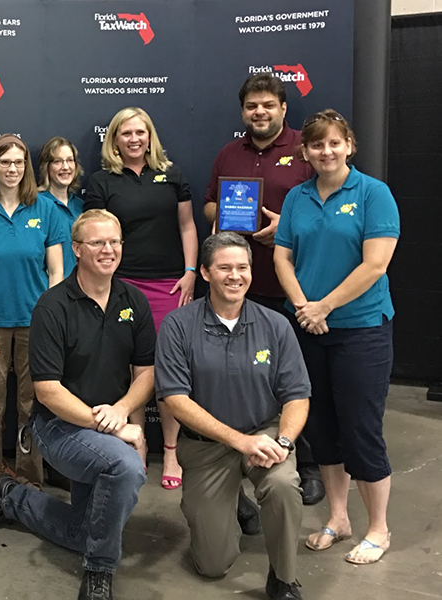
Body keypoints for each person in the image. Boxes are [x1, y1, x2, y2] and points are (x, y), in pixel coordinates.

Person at [0, 209, 154, 600]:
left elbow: (147, 373)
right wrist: (112, 427)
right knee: (124, 468)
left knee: (86, 529)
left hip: (109, 421)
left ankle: (12, 497)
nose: (108, 250)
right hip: (57, 426)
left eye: (115, 242)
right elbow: (48, 392)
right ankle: (98, 571)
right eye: (97, 243)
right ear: (76, 249)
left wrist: (123, 412)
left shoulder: (133, 301)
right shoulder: (52, 307)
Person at [274, 110, 400, 565]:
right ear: (305, 152)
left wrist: (323, 307)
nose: (325, 152)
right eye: (316, 145)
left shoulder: (373, 194)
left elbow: (374, 265)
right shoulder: (296, 197)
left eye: (334, 143)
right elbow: (283, 258)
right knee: (322, 429)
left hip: (360, 330)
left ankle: (379, 528)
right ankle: (339, 518)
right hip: (308, 329)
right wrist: (306, 309)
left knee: (361, 429)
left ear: (349, 145)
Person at [156, 232, 311, 600]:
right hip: (207, 447)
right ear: (206, 273)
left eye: (242, 267)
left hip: (265, 434)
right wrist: (240, 442)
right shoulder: (178, 326)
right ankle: (231, 504)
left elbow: (297, 396)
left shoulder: (275, 326)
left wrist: (284, 442)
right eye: (224, 267)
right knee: (212, 565)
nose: (235, 275)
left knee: (283, 485)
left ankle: (284, 578)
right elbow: (175, 400)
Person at [203, 74, 324, 525]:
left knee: (294, 383)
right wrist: (236, 216)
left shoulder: (304, 149)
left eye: (268, 105)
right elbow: (211, 207)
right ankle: (236, 473)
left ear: (283, 108)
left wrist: (285, 224)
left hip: (291, 290)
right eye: (252, 106)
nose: (260, 113)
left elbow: (322, 204)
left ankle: (305, 465)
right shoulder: (228, 153)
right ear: (243, 112)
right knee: (238, 383)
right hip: (237, 291)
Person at [85, 107, 198, 490]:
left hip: (169, 285)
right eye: (125, 133)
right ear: (114, 139)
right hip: (122, 285)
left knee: (166, 371)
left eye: (140, 132)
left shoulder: (173, 175)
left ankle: (170, 449)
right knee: (128, 366)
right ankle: (136, 438)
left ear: (150, 136)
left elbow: (187, 225)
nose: (134, 139)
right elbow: (96, 236)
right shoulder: (101, 182)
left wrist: (191, 272)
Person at [0, 134, 65, 511]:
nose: (12, 169)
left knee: (31, 407)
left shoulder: (45, 209)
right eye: (4, 162)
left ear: (27, 168)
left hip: (35, 327)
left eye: (19, 162)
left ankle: (29, 481)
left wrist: (49, 322)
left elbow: (56, 271)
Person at [37, 136, 84, 276]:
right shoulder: (36, 205)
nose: (65, 167)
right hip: (50, 288)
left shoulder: (81, 206)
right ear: (47, 167)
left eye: (70, 160)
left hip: (81, 288)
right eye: (58, 161)